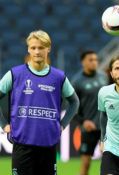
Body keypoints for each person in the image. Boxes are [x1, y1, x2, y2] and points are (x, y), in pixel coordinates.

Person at [0, 30, 79, 175]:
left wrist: (62, 125)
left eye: (41, 47)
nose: (37, 51)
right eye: (33, 47)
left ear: (48, 48)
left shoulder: (59, 77)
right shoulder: (15, 74)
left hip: (47, 145)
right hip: (22, 145)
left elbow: (74, 102)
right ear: (28, 49)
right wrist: (3, 124)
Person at [71, 50, 108, 175]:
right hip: (89, 128)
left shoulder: (104, 77)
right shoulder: (77, 82)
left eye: (96, 60)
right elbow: (71, 106)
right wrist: (83, 121)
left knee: (109, 163)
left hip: (106, 127)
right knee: (86, 163)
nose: (94, 62)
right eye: (90, 60)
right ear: (83, 62)